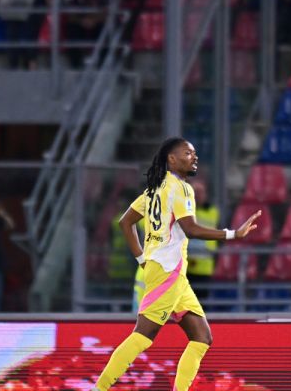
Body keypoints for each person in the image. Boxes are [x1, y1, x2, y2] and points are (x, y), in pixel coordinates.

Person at [94, 137, 260, 391]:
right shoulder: (182, 189)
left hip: (169, 271)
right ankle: (100, 388)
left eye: (194, 153)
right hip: (168, 271)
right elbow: (191, 229)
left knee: (202, 337)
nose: (194, 157)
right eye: (187, 153)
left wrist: (141, 258)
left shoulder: (154, 189)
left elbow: (125, 222)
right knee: (143, 335)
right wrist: (232, 234)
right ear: (172, 159)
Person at [186, 178, 219, 301]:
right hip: (186, 265)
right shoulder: (186, 211)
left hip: (204, 267)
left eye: (201, 192)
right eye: (195, 192)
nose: (198, 196)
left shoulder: (212, 212)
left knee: (201, 304)